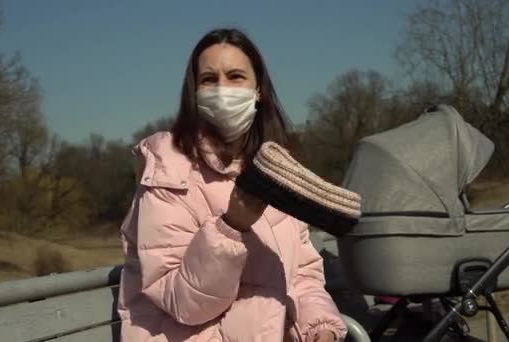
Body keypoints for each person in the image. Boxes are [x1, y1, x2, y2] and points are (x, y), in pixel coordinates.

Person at [117, 27, 347, 342]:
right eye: (209, 79)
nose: (222, 89)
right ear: (194, 93)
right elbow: (183, 304)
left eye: (236, 76)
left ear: (258, 90)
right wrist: (231, 226)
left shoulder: (276, 168)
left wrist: (320, 327)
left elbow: (303, 274)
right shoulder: (169, 171)